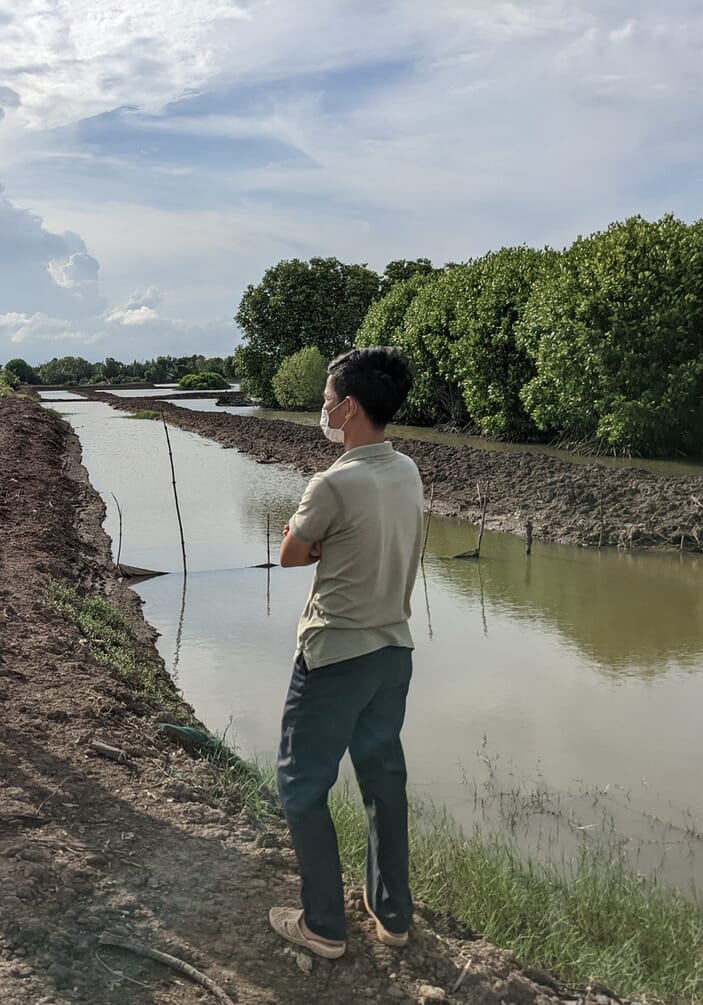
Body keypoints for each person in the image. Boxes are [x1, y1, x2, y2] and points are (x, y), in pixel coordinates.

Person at [267, 347, 424, 959]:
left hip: (334, 654)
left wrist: (307, 538)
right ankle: (394, 915)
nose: (324, 411)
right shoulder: (406, 470)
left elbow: (290, 553)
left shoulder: (333, 482)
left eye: (327, 401)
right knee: (383, 781)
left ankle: (324, 926)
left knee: (301, 785)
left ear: (350, 407)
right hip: (393, 651)